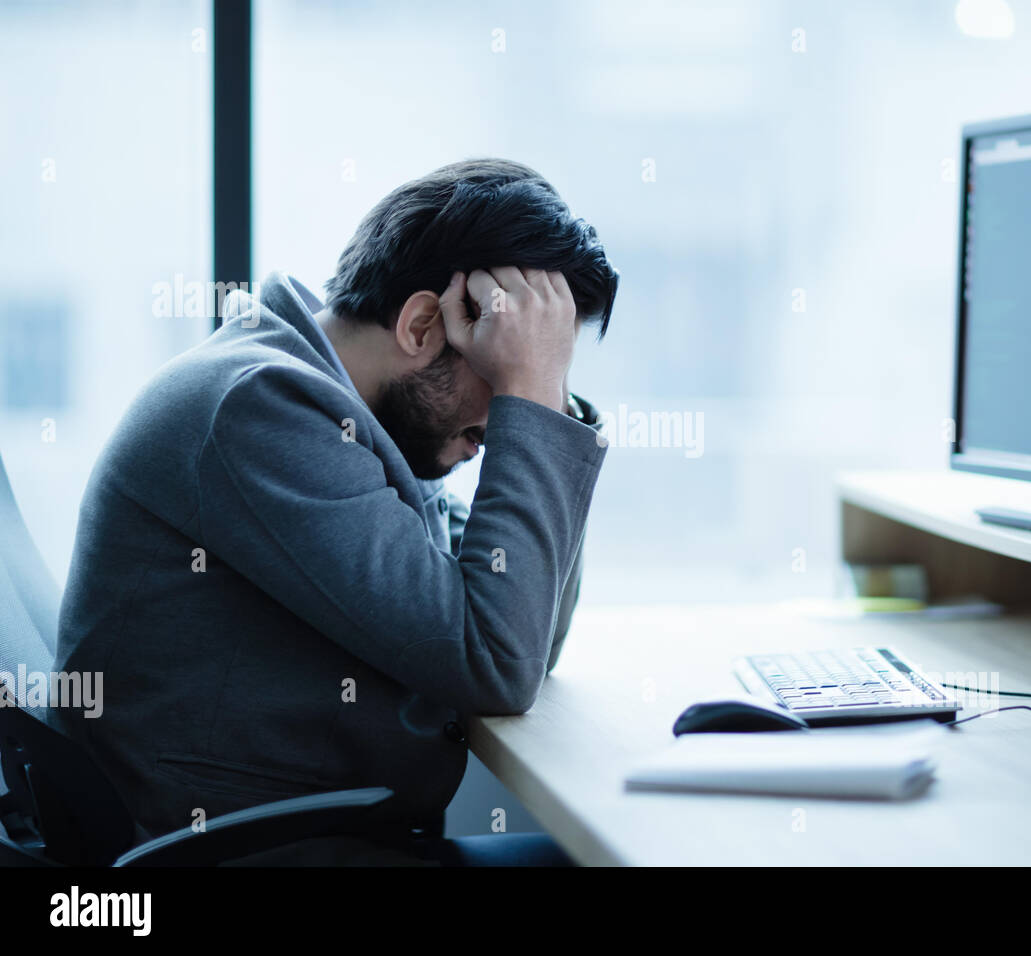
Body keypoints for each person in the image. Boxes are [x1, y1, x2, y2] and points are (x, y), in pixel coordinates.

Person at [51, 158, 618, 865]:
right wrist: (533, 404)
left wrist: (549, 406)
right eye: (505, 371)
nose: (507, 421)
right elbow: (495, 661)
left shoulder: (356, 425)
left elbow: (527, 641)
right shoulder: (261, 408)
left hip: (316, 835)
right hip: (240, 855)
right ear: (420, 326)